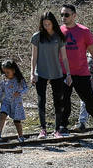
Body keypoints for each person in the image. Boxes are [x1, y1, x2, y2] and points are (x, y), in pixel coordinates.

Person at [59, 4, 93, 134]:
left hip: (81, 72)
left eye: (66, 15)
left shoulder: (84, 31)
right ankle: (63, 125)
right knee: (64, 100)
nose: (64, 17)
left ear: (74, 15)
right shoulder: (58, 31)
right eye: (62, 15)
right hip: (63, 72)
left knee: (88, 99)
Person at [30, 11, 71, 139]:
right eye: (44, 24)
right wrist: (32, 73)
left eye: (49, 23)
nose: (47, 26)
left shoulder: (59, 37)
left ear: (53, 23)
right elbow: (34, 56)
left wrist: (68, 74)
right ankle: (43, 130)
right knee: (41, 101)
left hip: (56, 73)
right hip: (40, 72)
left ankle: (57, 130)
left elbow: (64, 58)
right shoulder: (37, 37)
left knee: (58, 102)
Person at [0, 60, 28, 143]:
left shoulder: (19, 79)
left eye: (7, 72)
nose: (5, 74)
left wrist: (20, 92)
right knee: (2, 115)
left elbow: (26, 88)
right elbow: (0, 92)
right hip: (6, 102)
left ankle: (20, 136)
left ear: (13, 70)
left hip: (16, 103)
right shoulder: (4, 81)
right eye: (4, 72)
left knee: (17, 121)